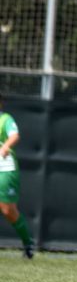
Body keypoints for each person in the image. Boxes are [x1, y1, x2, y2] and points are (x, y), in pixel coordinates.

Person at [0, 94, 35, 259]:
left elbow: (14, 136)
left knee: (8, 210)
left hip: (5, 168)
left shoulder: (5, 119)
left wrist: (6, 146)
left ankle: (28, 243)